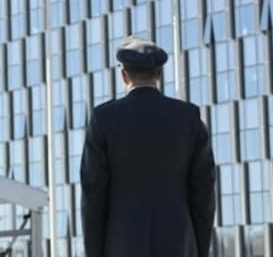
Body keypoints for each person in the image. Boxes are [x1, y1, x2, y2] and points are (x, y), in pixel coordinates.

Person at [80, 36, 216, 257]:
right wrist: (198, 250)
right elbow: (204, 195)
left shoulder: (104, 119)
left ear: (124, 75)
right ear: (159, 74)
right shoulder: (188, 118)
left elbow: (93, 196)